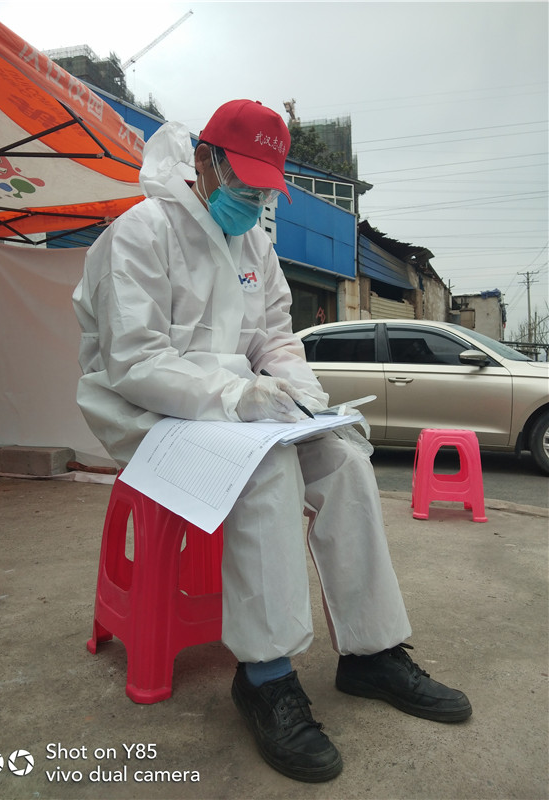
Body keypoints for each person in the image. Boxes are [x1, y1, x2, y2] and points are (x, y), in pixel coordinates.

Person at [73, 99, 472, 784]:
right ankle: (265, 676)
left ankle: (372, 652)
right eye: (244, 183)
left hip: (234, 409)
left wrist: (300, 393)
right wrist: (238, 398)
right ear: (205, 160)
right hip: (147, 413)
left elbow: (276, 339)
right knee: (268, 471)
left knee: (343, 459)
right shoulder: (139, 234)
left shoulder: (254, 244)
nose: (254, 201)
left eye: (265, 190)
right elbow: (134, 362)